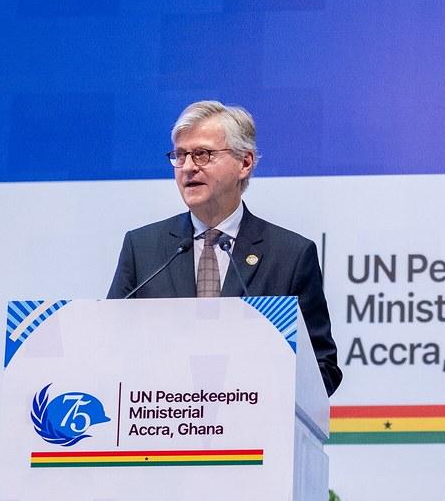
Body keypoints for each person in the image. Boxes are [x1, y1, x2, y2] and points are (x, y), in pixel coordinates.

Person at [108, 100, 342, 396]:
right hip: (161, 417)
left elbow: (322, 368)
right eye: (180, 155)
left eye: (202, 154)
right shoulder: (142, 249)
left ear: (244, 163)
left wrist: (261, 394)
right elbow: (109, 347)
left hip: (254, 422)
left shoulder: (291, 256)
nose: (188, 167)